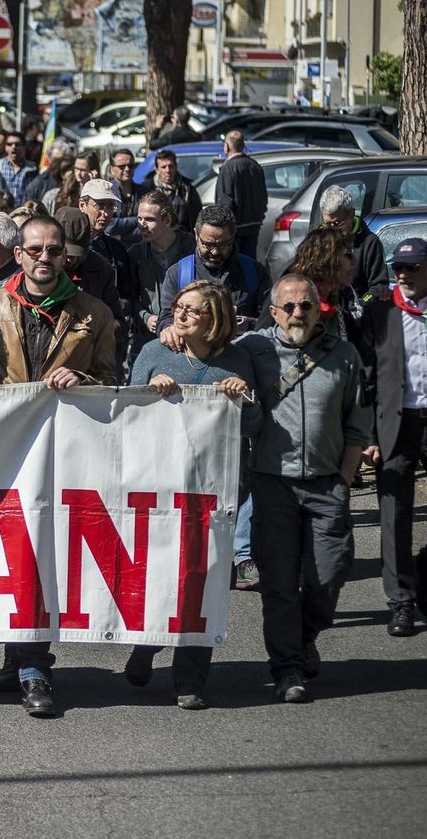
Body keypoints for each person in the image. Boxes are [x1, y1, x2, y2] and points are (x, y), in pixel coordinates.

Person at [0, 214, 118, 716]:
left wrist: (85, 380)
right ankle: (18, 657)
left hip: (62, 450)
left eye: (54, 250)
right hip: (2, 450)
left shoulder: (93, 311)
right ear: (18, 253)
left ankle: (33, 666)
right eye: (35, 250)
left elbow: (111, 381)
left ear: (65, 255)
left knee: (41, 554)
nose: (45, 258)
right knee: (6, 551)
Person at [125, 281, 262, 709]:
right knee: (161, 578)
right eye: (177, 308)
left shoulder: (237, 361)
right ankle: (146, 646)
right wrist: (151, 392)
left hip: (213, 494)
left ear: (215, 317)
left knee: (205, 584)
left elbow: (255, 426)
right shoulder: (154, 354)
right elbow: (124, 412)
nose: (179, 316)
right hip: (160, 489)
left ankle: (190, 679)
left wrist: (244, 398)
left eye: (191, 311)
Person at [240, 274, 371, 703]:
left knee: (328, 576)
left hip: (326, 484)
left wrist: (344, 479)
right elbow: (205, 348)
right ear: (274, 311)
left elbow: (358, 423)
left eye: (307, 306)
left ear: (320, 309)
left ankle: (303, 635)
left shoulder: (344, 355)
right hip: (272, 484)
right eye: (290, 307)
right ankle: (288, 668)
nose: (299, 314)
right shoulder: (253, 349)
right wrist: (171, 329)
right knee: (278, 585)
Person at [361, 238, 427, 637]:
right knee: (395, 518)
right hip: (395, 424)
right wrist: (369, 435)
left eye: (411, 267)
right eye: (398, 268)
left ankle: (425, 566)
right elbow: (367, 378)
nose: (403, 275)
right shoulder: (380, 310)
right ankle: (402, 602)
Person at [158, 205, 270, 339]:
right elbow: (165, 319)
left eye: (223, 244)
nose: (215, 252)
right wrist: (169, 331)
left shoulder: (254, 272)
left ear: (233, 237)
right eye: (208, 244)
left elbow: (271, 320)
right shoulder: (178, 274)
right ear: (196, 235)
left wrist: (249, 325)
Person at [127, 190, 195, 355]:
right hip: (147, 336)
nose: (142, 225)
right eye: (140, 218)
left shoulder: (191, 248)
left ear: (167, 220)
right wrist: (145, 317)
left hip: (187, 333)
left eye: (150, 219)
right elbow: (129, 297)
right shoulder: (136, 254)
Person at [317, 186, 391, 298]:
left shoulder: (369, 243)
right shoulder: (317, 242)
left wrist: (360, 304)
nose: (332, 230)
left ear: (351, 214)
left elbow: (379, 287)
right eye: (327, 224)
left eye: (338, 224)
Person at [215, 131, 268, 258]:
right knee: (249, 261)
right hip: (254, 224)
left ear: (227, 146)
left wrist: (223, 226)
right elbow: (263, 195)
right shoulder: (255, 166)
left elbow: (225, 201)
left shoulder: (228, 168)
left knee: (235, 263)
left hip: (235, 227)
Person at [141, 150, 202, 231]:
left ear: (176, 167)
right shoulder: (147, 188)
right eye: (163, 167)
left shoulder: (187, 187)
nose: (168, 170)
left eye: (171, 166)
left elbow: (196, 215)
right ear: (156, 169)